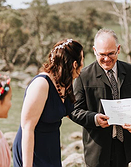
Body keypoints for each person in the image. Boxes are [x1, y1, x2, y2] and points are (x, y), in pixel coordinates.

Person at [69, 28, 131, 167]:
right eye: (102, 54)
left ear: (118, 49)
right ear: (94, 51)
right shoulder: (83, 76)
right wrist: (94, 119)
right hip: (98, 149)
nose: (106, 59)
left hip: (126, 147)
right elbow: (74, 111)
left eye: (111, 53)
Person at [12, 39, 84, 167]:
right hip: (33, 150)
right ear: (74, 64)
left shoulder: (65, 83)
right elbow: (27, 128)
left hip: (51, 149)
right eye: (82, 60)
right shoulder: (41, 84)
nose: (83, 65)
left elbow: (71, 112)